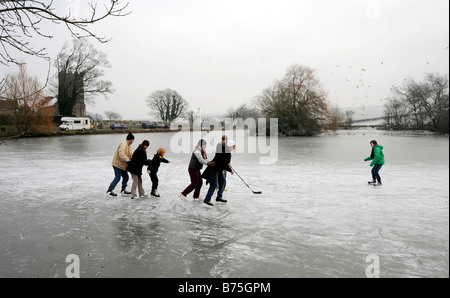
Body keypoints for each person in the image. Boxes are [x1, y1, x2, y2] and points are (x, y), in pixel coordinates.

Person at [202, 140, 236, 206]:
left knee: (223, 181)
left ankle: (219, 197)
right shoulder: (223, 152)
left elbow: (225, 162)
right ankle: (206, 200)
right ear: (229, 146)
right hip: (214, 169)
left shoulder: (227, 151)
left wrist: (227, 163)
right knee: (214, 185)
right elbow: (223, 163)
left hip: (219, 169)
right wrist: (230, 170)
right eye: (233, 146)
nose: (234, 148)